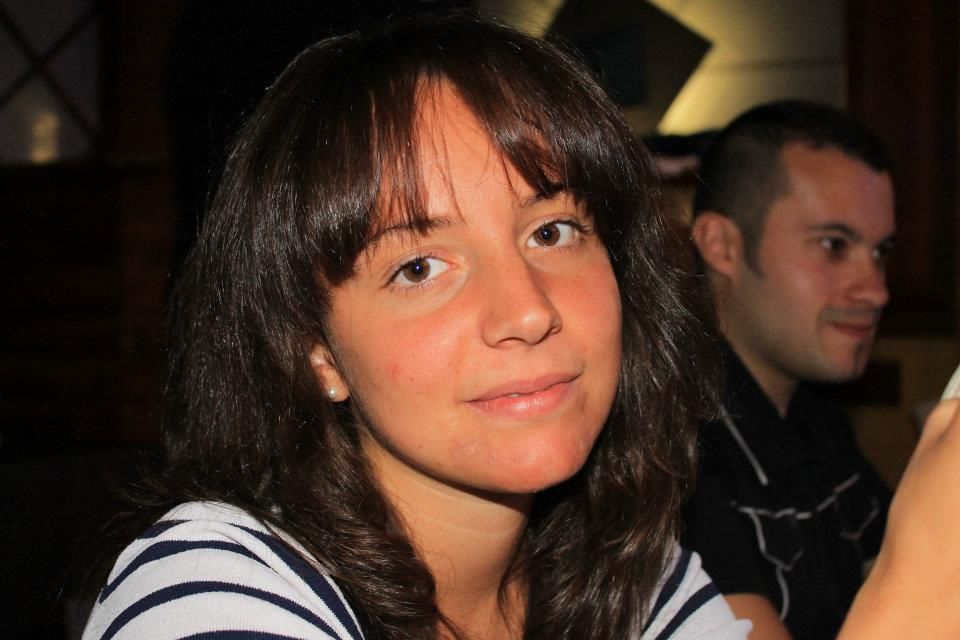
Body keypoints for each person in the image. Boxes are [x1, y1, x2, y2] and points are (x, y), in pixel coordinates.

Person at [82, 14, 750, 640]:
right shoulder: (215, 588)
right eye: (419, 267)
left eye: (551, 232)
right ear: (316, 353)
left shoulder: (632, 572)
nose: (528, 311)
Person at [685, 101, 897, 639]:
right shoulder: (669, 445)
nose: (876, 291)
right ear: (722, 246)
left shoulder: (814, 410)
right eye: (834, 245)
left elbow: (891, 569)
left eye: (880, 252)